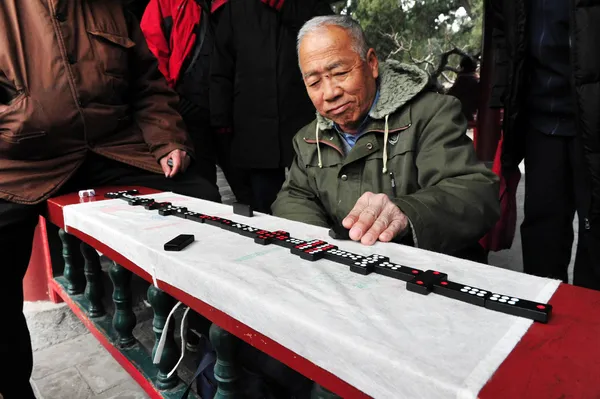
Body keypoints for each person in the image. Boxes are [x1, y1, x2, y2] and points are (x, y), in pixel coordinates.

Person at [0, 2, 220, 398]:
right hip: (20, 160)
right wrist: (21, 120)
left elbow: (148, 86)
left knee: (200, 197)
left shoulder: (110, 6)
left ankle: (209, 344)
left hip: (109, 148)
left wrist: (167, 137)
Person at [271, 16, 500, 260]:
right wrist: (324, 246)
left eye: (340, 73)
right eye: (314, 82)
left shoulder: (431, 114)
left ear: (371, 63)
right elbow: (293, 196)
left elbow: (474, 193)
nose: (330, 93)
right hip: (345, 272)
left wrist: (406, 213)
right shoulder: (308, 138)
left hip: (424, 273)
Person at [489, 0, 600, 290]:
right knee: (542, 234)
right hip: (540, 119)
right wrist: (504, 95)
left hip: (594, 119)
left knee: (596, 230)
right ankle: (545, 318)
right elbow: (503, 33)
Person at [210, 0, 334, 213]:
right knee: (262, 209)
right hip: (255, 129)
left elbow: (326, 36)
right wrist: (221, 121)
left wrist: (287, 6)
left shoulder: (308, 6)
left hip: (303, 123)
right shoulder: (235, 8)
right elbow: (221, 68)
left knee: (317, 201)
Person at [447, 55, 480, 122]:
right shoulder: (476, 80)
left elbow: (451, 95)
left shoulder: (461, 80)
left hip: (461, 113)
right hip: (472, 112)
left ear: (462, 67)